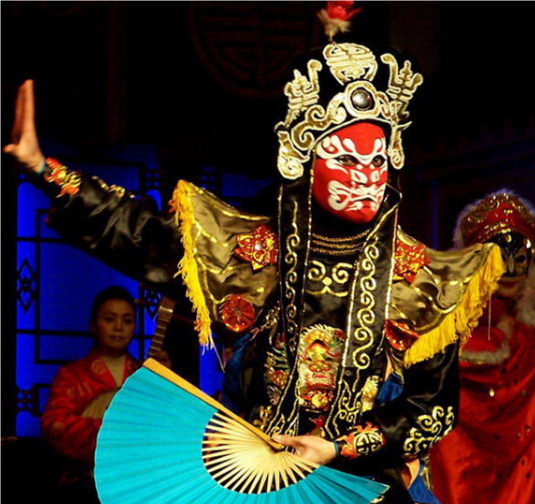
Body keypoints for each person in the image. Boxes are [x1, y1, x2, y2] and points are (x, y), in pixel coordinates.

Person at [5, 7, 505, 501]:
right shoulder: (251, 252)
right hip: (255, 478)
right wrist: (43, 169)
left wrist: (337, 447)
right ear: (304, 159)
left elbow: (432, 410)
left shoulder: (422, 279)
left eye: (376, 161)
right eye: (345, 159)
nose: (365, 177)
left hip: (365, 485)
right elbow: (138, 232)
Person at [428, 190, 535, 504]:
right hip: (452, 472)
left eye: (520, 257)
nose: (510, 269)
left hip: (523, 480)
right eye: (499, 256)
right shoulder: (438, 327)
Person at [40, 286, 140, 502]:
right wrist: (114, 430)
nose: (119, 327)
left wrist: (163, 381)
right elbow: (54, 426)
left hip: (136, 484)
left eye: (127, 321)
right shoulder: (71, 375)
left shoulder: (144, 375)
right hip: (84, 485)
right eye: (109, 319)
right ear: (93, 325)